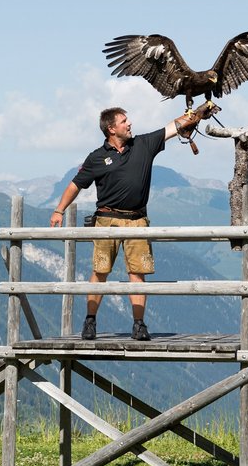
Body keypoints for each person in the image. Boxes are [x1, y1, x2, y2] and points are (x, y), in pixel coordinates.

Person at [49, 105, 212, 340]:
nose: (129, 124)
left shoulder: (143, 144)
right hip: (106, 221)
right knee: (100, 270)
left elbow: (173, 127)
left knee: (138, 273)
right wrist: (59, 210)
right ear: (111, 128)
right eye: (124, 121)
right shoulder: (96, 157)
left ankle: (139, 324)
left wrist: (193, 115)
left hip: (137, 220)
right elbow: (76, 184)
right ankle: (90, 321)